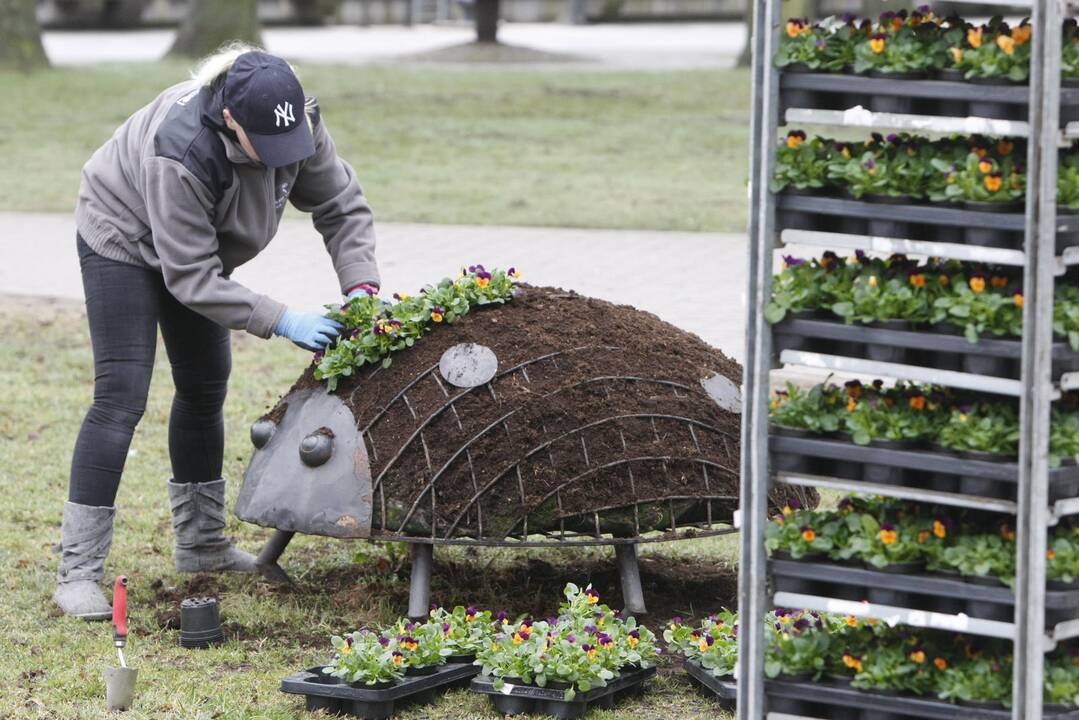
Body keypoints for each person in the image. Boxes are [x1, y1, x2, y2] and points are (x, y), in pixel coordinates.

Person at [55, 44, 380, 619]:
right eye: (268, 149)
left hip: (198, 254)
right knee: (121, 397)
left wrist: (362, 287)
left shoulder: (295, 120)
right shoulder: (181, 150)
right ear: (231, 119)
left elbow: (340, 203)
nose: (284, 159)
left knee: (206, 385)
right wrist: (282, 318)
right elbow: (190, 278)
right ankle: (77, 572)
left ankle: (201, 543)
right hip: (123, 237)